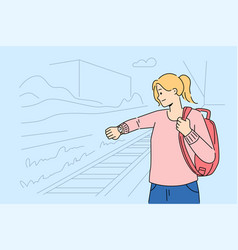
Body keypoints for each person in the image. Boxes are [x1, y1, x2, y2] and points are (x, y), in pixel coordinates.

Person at [105, 73, 215, 204]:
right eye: (158, 93)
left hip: (185, 186)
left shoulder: (194, 117)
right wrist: (119, 130)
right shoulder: (159, 117)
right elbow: (138, 122)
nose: (158, 97)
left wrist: (188, 133)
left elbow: (209, 156)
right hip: (157, 187)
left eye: (161, 92)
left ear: (174, 91)